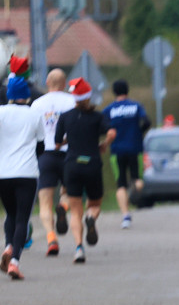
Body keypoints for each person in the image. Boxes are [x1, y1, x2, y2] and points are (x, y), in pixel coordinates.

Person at [54, 78, 115, 264]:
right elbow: (112, 133)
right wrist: (104, 144)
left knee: (75, 210)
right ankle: (91, 218)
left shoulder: (65, 117)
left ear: (74, 97)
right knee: (94, 204)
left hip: (72, 165)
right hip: (92, 165)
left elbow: (57, 144)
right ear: (89, 97)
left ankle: (79, 248)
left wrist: (67, 141)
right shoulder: (98, 117)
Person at [0, 76, 45, 279]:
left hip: (3, 174)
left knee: (10, 213)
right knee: (22, 219)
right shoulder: (34, 114)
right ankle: (15, 262)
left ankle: (8, 246)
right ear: (26, 95)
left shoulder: (0, 113)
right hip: (27, 173)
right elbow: (41, 146)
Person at [29, 68, 76, 256]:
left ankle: (51, 237)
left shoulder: (37, 104)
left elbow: (32, 132)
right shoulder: (73, 101)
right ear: (64, 84)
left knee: (45, 200)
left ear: (47, 83)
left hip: (46, 155)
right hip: (68, 153)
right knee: (69, 193)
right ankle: (63, 207)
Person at [102, 79, 151, 229]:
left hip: (117, 150)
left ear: (114, 92)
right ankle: (134, 190)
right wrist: (138, 133)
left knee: (120, 184)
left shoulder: (109, 109)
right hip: (135, 148)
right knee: (138, 180)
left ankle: (126, 216)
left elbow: (103, 126)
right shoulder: (136, 106)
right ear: (127, 91)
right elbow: (147, 122)